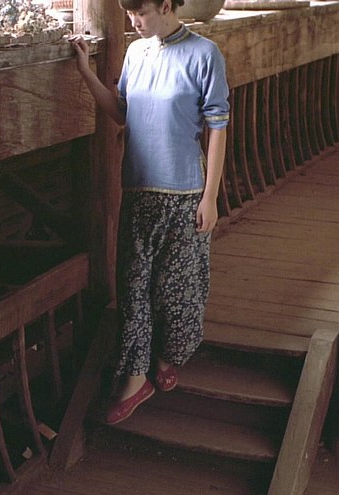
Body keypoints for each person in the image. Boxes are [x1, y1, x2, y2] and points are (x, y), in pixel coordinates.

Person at [71, 0, 229, 425]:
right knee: (133, 287)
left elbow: (217, 128)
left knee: (177, 290)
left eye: (140, 13)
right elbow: (122, 112)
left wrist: (210, 197)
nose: (134, 22)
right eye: (129, 15)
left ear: (165, 5)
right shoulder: (136, 52)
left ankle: (167, 356)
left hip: (185, 193)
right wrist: (86, 71)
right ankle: (135, 379)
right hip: (138, 190)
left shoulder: (204, 54)